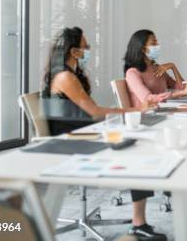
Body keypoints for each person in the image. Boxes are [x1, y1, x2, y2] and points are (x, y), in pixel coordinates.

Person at [41, 27, 165, 240]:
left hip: (84, 133)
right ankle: (138, 224)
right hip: (72, 142)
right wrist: (135, 110)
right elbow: (96, 112)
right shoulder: (65, 77)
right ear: (74, 52)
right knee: (136, 152)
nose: (89, 50)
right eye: (85, 47)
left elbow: (92, 112)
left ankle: (139, 223)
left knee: (136, 143)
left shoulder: (70, 74)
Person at [123, 29, 187, 111]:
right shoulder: (132, 73)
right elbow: (148, 99)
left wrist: (173, 66)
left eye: (157, 42)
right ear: (143, 49)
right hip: (146, 116)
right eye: (153, 43)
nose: (158, 45)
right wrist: (182, 92)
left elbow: (181, 88)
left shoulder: (157, 68)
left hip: (162, 111)